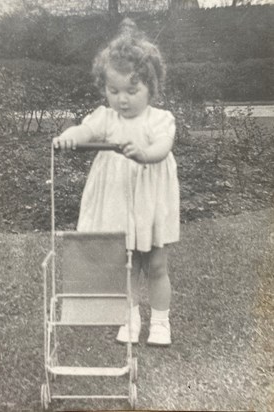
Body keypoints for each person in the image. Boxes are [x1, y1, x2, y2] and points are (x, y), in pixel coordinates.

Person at [53, 18, 180, 346]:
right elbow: (86, 131)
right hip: (117, 198)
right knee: (123, 263)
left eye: (131, 91)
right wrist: (70, 136)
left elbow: (162, 148)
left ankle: (162, 322)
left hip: (149, 198)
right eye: (114, 91)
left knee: (155, 262)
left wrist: (143, 153)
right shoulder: (106, 118)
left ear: (151, 86)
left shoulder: (159, 119)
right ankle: (131, 316)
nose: (122, 99)